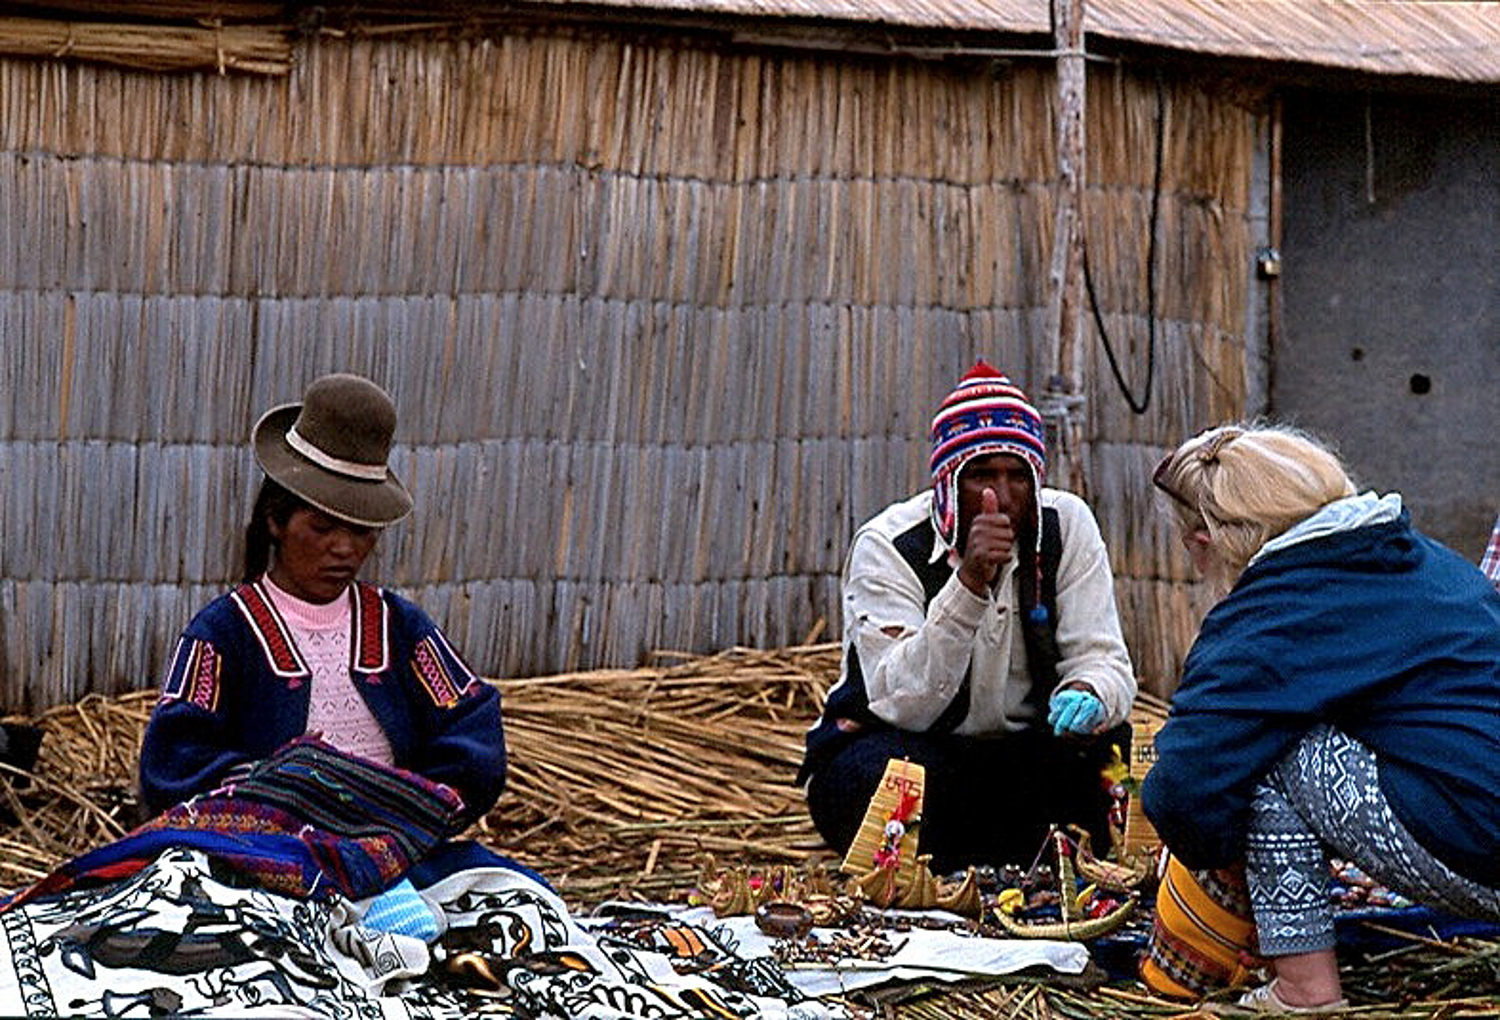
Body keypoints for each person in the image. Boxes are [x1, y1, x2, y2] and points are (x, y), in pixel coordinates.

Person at [1143, 423, 1500, 1013]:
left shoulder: (1268, 616)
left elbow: (1184, 788)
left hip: (1480, 838)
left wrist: (1224, 870)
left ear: (1204, 540)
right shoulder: (1422, 561)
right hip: (1475, 814)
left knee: (1260, 752)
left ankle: (1303, 990)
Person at [799, 361, 1136, 872]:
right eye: (981, 475)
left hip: (1025, 753)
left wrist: (1090, 693)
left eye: (1017, 476)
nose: (999, 496)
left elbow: (1105, 659)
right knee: (875, 785)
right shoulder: (889, 546)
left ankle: (1011, 853)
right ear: (948, 481)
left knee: (1117, 763)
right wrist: (970, 584)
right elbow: (902, 700)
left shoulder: (1065, 527)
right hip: (916, 750)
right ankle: (1013, 852)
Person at [139, 373, 505, 836]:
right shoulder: (224, 634)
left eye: (361, 531)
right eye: (323, 527)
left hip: (391, 854)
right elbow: (173, 761)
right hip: (266, 857)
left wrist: (410, 805)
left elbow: (472, 721)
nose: (344, 549)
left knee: (523, 900)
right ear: (276, 520)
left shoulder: (399, 629)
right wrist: (290, 793)